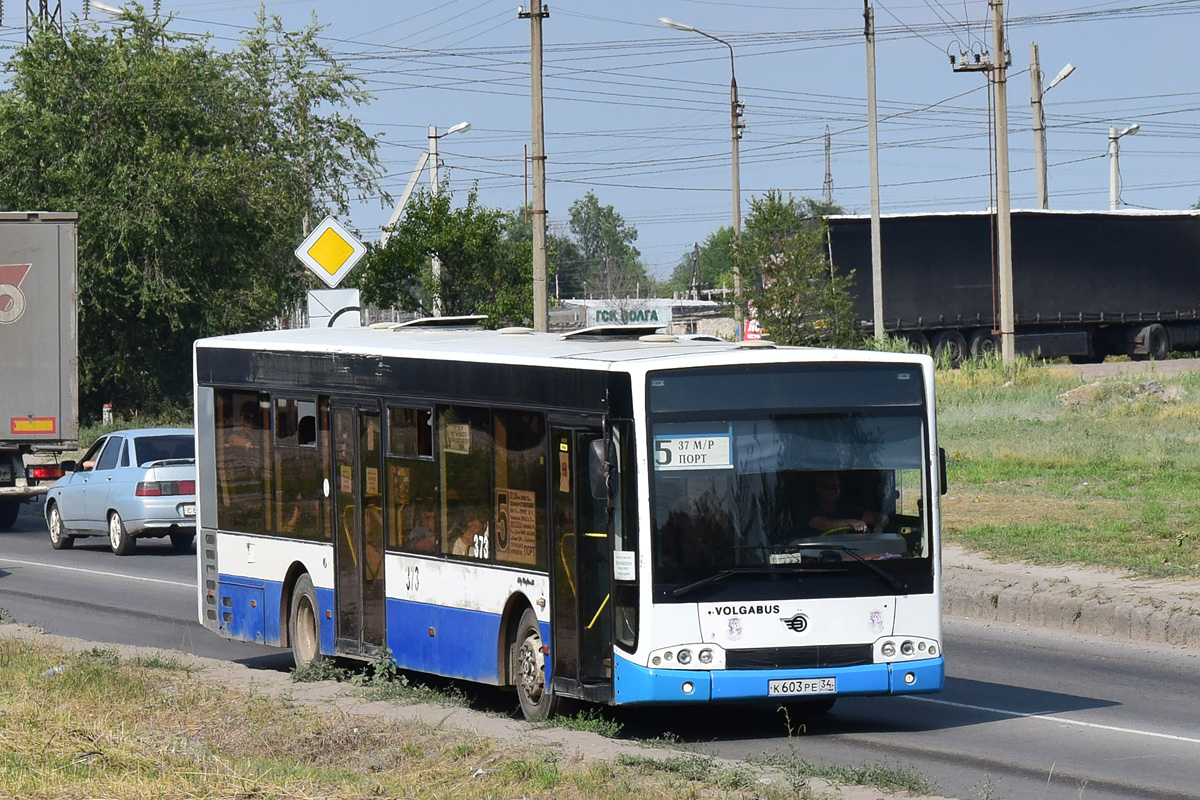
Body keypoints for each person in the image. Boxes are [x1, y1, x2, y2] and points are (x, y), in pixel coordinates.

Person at [808, 472, 888, 534]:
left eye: (836, 487)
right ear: (818, 489)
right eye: (828, 487)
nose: (834, 491)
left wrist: (878, 529)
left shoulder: (847, 509)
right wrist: (850, 523)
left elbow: (882, 518)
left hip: (851, 553)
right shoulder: (810, 509)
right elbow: (822, 524)